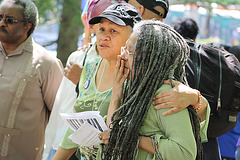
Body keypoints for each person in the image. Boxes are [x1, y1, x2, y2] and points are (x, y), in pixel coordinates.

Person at [98, 20, 205, 160]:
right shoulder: (133, 88)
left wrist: (132, 139)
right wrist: (116, 95)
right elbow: (113, 134)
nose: (122, 56)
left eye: (129, 51)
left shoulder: (165, 93)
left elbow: (184, 152)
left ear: (148, 57)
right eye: (125, 49)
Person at [52, 3, 142, 160]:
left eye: (113, 31)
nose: (104, 37)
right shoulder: (90, 66)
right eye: (101, 29)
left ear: (133, 37)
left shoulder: (139, 76)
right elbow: (76, 127)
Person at [0, 0, 63, 160]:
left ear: (27, 26)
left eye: (9, 20)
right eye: (0, 17)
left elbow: (59, 115)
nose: (1, 23)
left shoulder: (46, 63)